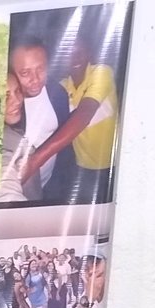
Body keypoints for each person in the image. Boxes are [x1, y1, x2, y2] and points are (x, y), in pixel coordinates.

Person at [17, 27, 122, 205]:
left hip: (111, 166)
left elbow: (84, 113)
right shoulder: (62, 87)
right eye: (69, 54)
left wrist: (35, 161)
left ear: (89, 52)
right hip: (80, 167)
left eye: (80, 52)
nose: (76, 58)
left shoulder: (102, 72)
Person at [0, 35, 73, 204]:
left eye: (41, 69)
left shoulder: (56, 93)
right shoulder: (8, 110)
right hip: (24, 190)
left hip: (51, 182)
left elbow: (64, 137)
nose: (35, 79)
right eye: (25, 73)